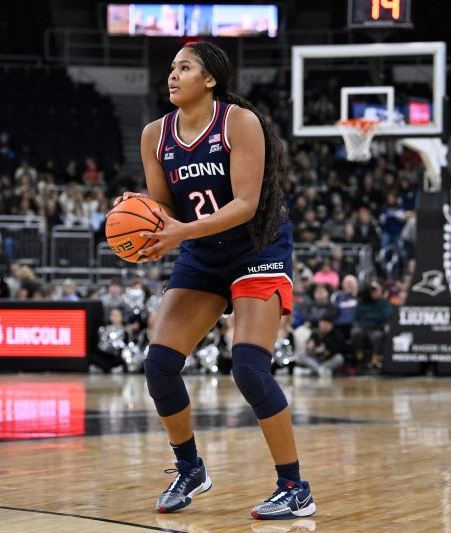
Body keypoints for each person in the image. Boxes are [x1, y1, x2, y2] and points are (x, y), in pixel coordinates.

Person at [113, 42, 315, 520]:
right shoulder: (155, 135)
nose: (173, 75)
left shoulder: (239, 123)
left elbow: (245, 204)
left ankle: (294, 487)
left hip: (256, 249)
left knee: (248, 368)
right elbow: (165, 207)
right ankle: (190, 468)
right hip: (203, 254)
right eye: (171, 67)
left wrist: (179, 231)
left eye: (185, 67)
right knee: (159, 364)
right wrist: (138, 212)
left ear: (210, 79)